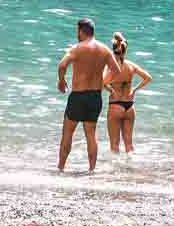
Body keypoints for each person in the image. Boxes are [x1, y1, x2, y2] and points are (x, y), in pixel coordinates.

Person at [58, 18, 115, 174]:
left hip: (78, 96)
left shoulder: (77, 48)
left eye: (77, 31)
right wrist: (103, 81)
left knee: (68, 133)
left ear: (81, 31)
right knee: (91, 134)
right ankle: (91, 170)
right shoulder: (104, 50)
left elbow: (62, 65)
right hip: (95, 96)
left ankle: (61, 168)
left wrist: (61, 81)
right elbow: (115, 70)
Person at [105, 33, 152, 157]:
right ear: (124, 52)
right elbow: (148, 78)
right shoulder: (131, 65)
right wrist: (135, 90)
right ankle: (131, 167)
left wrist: (110, 90)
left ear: (113, 51)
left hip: (115, 105)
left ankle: (115, 171)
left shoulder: (111, 68)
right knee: (129, 144)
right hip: (130, 106)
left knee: (114, 144)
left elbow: (101, 83)